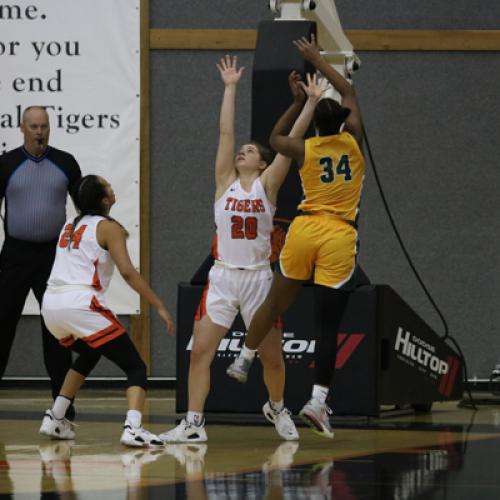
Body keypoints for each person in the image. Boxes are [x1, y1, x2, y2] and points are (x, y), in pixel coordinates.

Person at [159, 55, 310, 443]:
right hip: (223, 277)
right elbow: (225, 133)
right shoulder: (224, 180)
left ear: (261, 163)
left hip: (260, 279)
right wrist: (230, 87)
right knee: (199, 354)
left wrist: (309, 102)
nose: (242, 151)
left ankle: (276, 407)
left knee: (272, 358)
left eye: (250, 150)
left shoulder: (268, 184)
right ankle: (193, 424)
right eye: (241, 150)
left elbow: (290, 147)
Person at [227, 35, 365, 439]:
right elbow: (349, 90)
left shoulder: (305, 149)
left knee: (275, 301)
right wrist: (317, 61)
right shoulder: (353, 140)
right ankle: (317, 401)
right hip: (338, 233)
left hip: (304, 229)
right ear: (341, 119)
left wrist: (296, 100)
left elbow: (273, 140)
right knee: (327, 324)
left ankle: (244, 357)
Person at [39, 174, 174, 447]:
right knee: (135, 366)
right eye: (109, 186)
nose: (113, 188)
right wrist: (158, 304)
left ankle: (56, 416)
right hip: (79, 302)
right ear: (105, 200)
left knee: (90, 351)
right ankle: (133, 428)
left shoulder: (69, 225)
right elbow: (127, 272)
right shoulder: (108, 227)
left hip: (51, 304)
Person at [0, 106, 81, 418]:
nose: (39, 132)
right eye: (33, 126)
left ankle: (62, 406)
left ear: (50, 128)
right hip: (15, 256)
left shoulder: (65, 163)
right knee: (2, 324)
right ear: (22, 128)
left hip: (53, 258)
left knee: (56, 330)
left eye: (44, 126)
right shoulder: (7, 164)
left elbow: (84, 205)